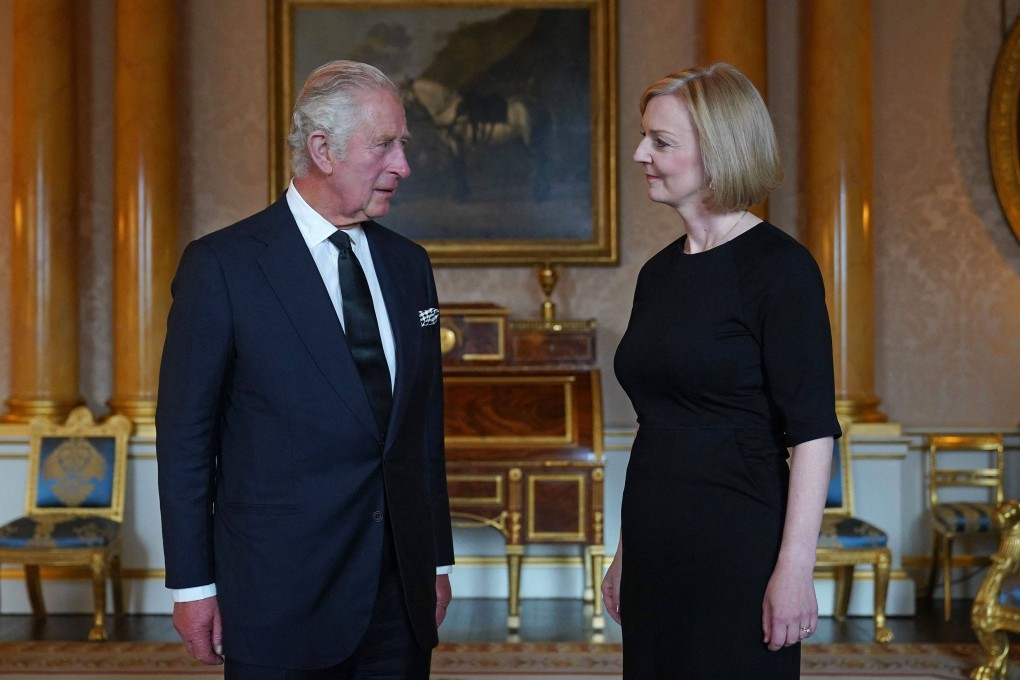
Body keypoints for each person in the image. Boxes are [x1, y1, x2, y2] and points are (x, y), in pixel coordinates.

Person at [156, 60, 454, 679]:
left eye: (404, 145)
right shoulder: (224, 267)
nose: (404, 165)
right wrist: (191, 586)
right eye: (385, 145)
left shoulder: (409, 265)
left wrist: (437, 562)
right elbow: (186, 439)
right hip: (276, 596)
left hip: (398, 598)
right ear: (322, 149)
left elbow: (422, 431)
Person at [602, 62, 840, 679]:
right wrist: (628, 551)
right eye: (644, 136)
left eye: (660, 141)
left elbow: (812, 432)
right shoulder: (659, 273)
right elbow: (658, 424)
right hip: (657, 539)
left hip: (741, 546)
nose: (639, 154)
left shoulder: (781, 270)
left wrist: (795, 568)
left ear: (718, 152)